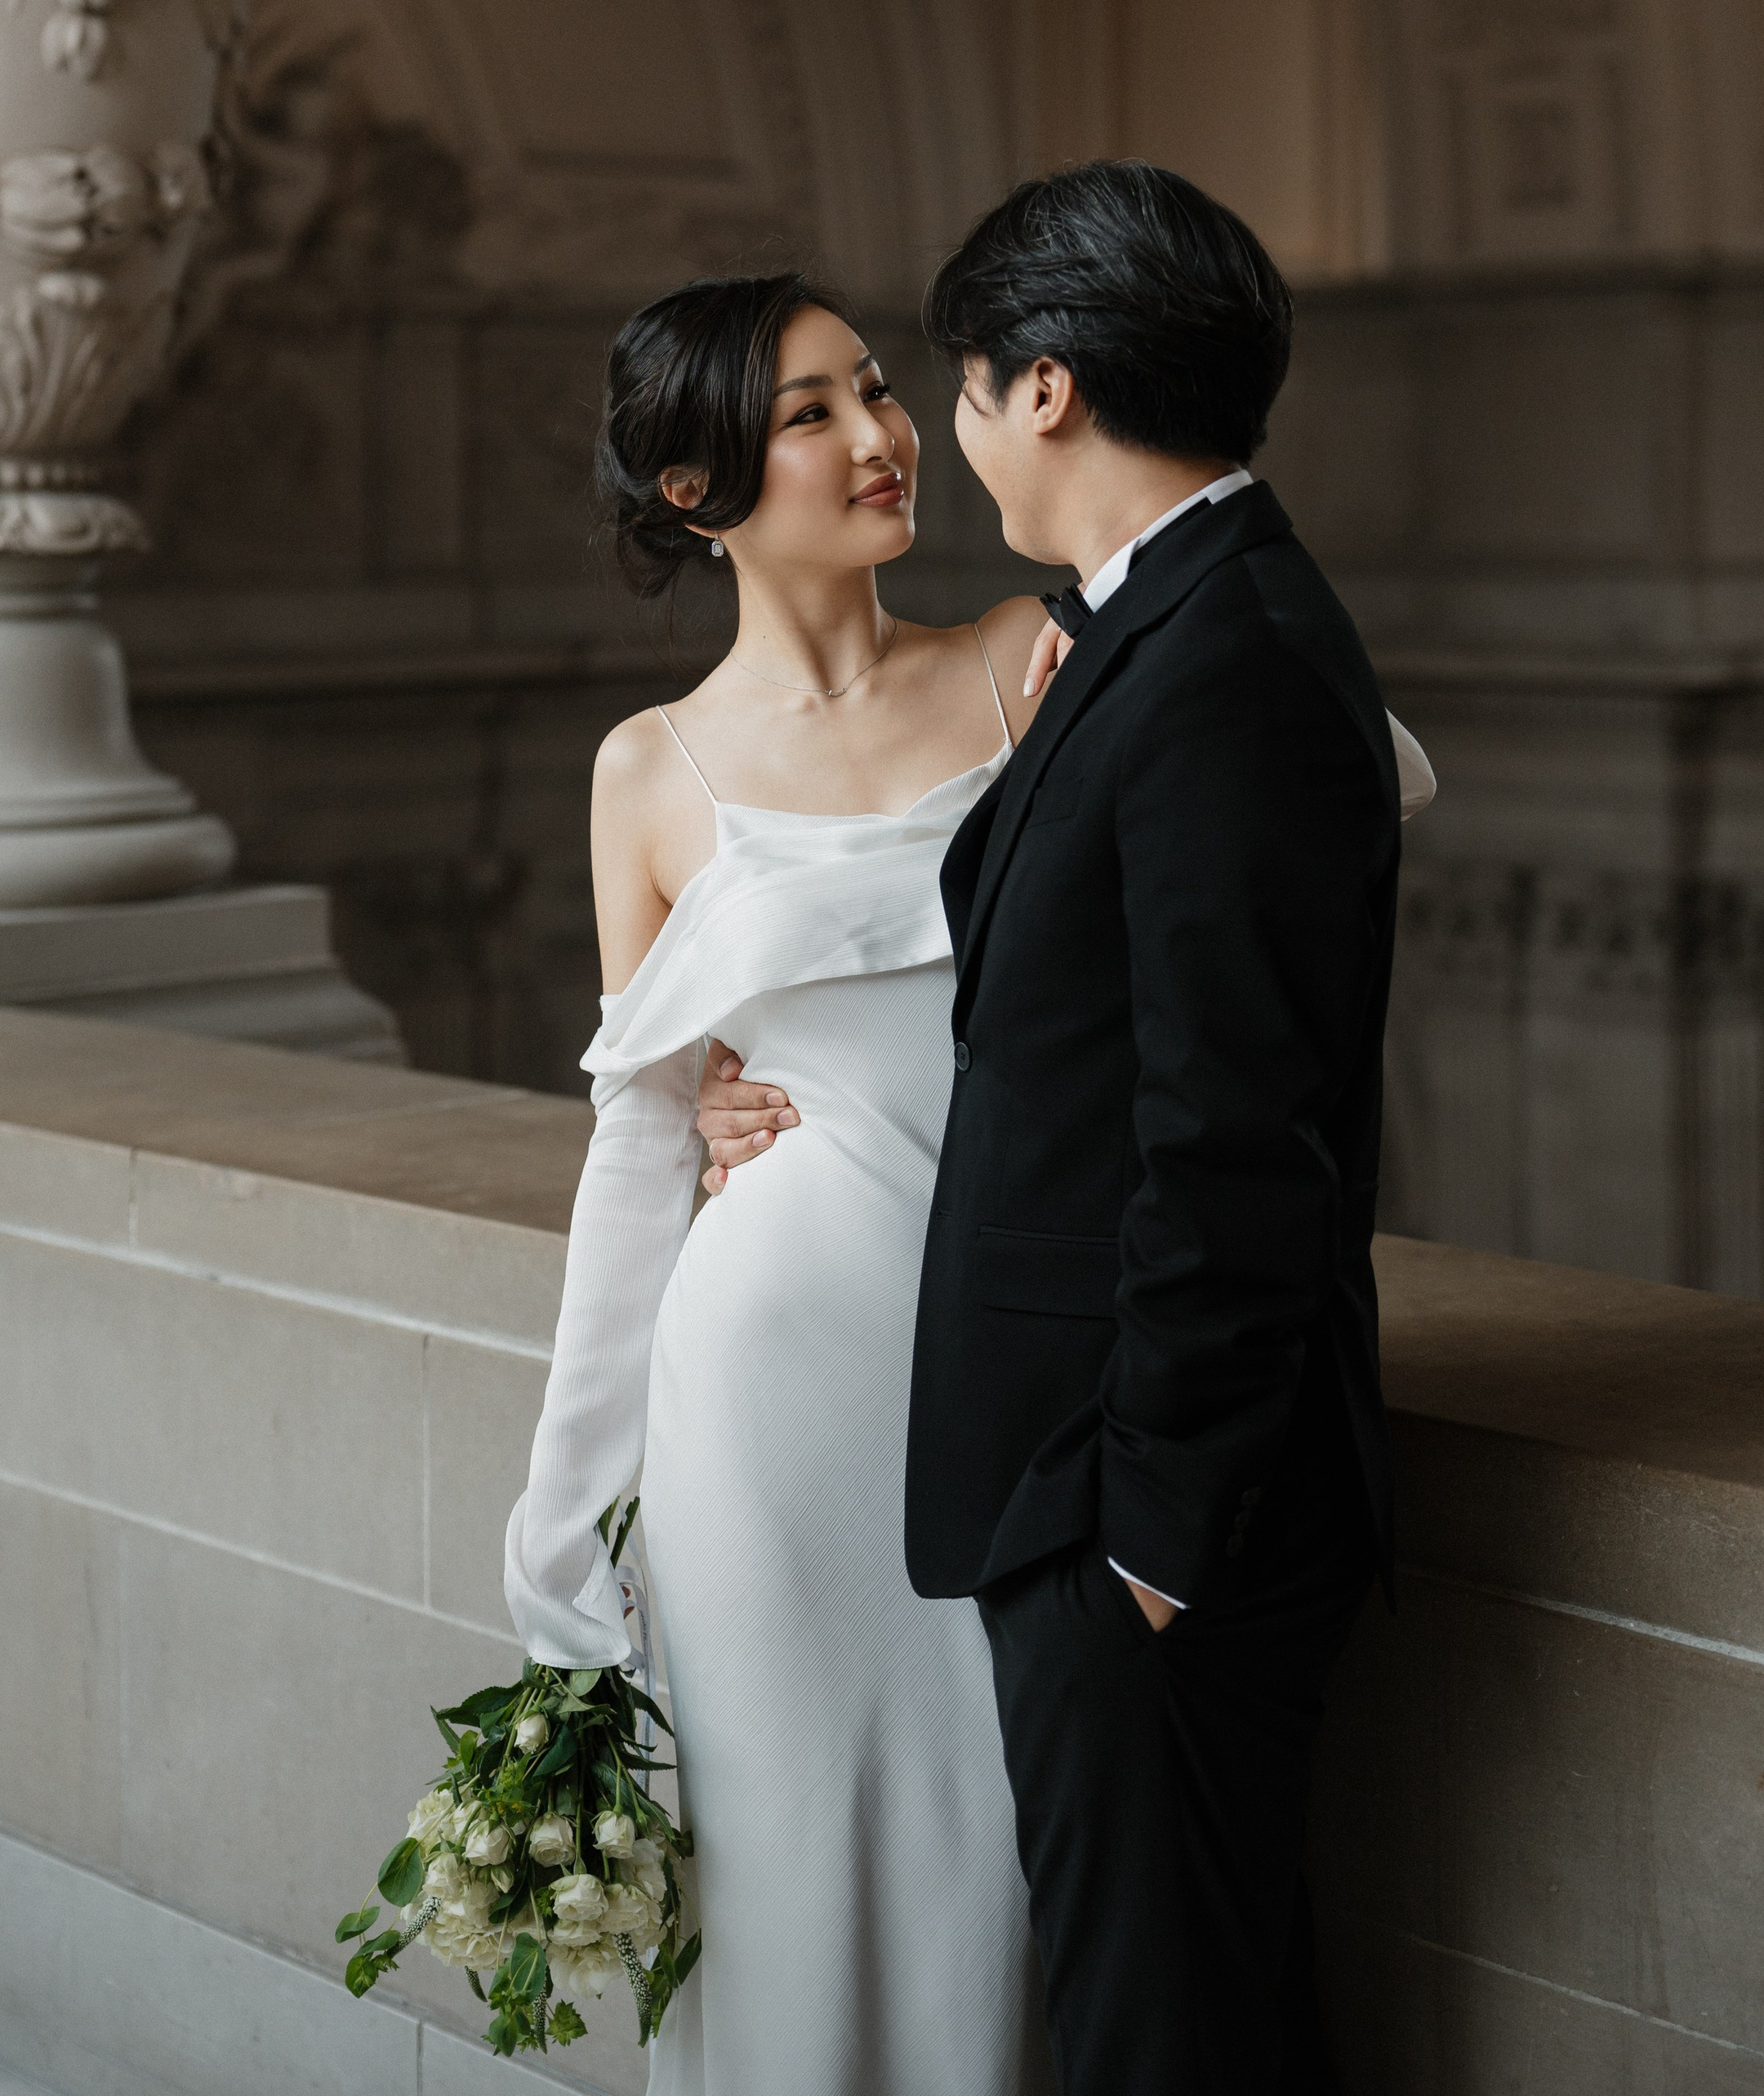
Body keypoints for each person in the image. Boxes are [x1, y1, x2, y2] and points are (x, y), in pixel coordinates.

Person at [700, 163, 1419, 2093]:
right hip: (1092, 1495)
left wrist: (1151, 1538)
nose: (942, 433)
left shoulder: (1229, 658)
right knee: (1186, 2019)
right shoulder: (1156, 623)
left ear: (1048, 393)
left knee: (1151, 2040)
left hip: (1156, 1521)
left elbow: (1235, 1140)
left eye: (953, 385)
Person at [504, 268, 1060, 2096]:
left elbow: (1312, 795)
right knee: (785, 1861)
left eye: (877, 390)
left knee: (994, 1859)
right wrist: (563, 1533)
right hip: (759, 1415)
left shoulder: (1018, 660)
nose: (881, 435)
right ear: (697, 493)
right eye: (809, 412)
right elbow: (640, 1143)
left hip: (1010, 1378)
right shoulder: (646, 773)